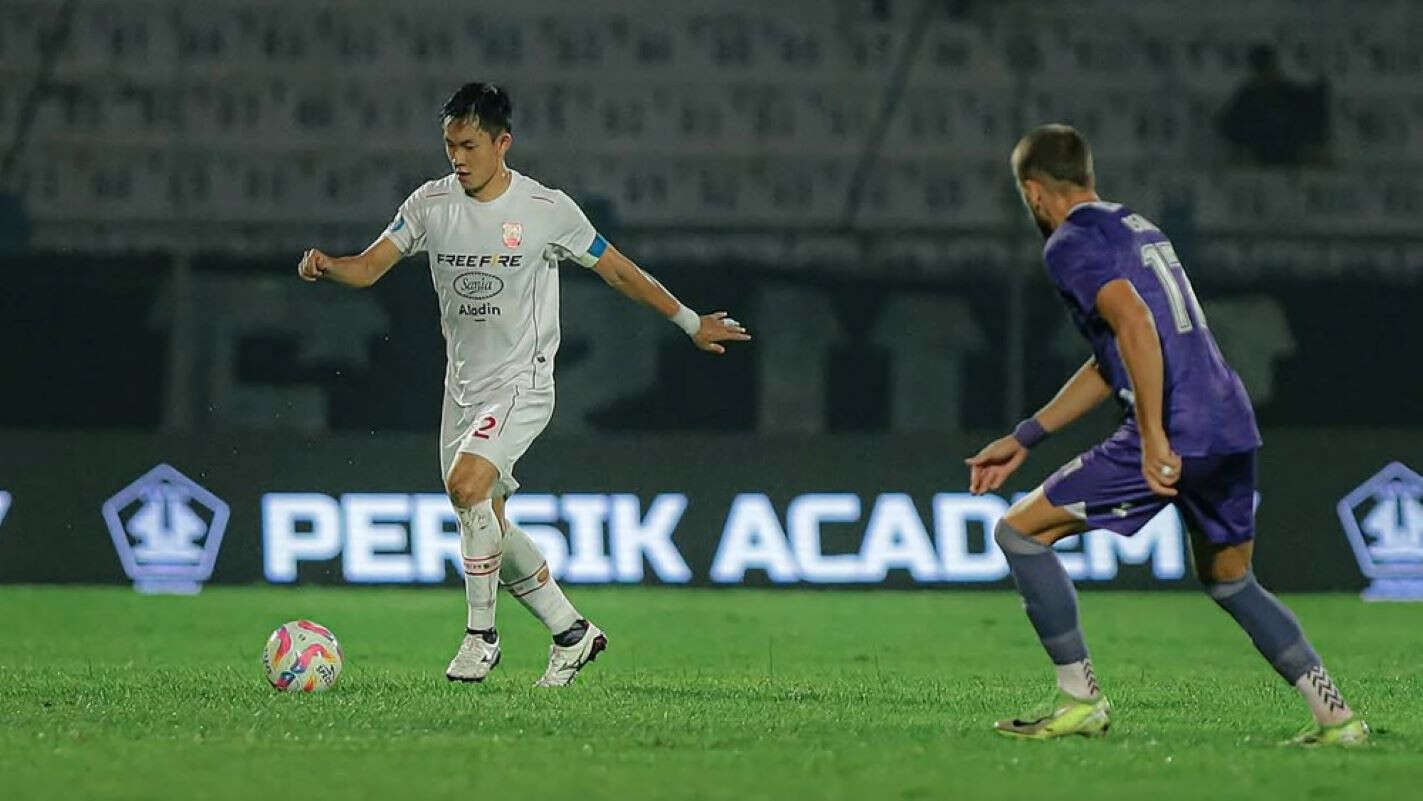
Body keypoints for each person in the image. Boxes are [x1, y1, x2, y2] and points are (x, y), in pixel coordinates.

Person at [297, 82, 750, 686]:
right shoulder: (430, 206)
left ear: (501, 143)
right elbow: (370, 267)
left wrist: (691, 322)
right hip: (462, 391)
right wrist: (330, 266)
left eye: (469, 145)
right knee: (489, 521)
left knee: (466, 488)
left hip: (523, 384)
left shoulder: (545, 211)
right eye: (449, 146)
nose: (457, 158)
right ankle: (572, 633)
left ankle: (480, 639)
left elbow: (617, 270)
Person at [966, 124, 1366, 745]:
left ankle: (1080, 700)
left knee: (1019, 533)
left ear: (1034, 192)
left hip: (1178, 427)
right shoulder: (1136, 226)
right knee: (1232, 580)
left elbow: (1136, 328)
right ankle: (1336, 717)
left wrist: (1153, 436)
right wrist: (1027, 435)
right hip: (1230, 423)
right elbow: (1114, 354)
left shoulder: (1068, 243)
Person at [1217, 43, 1329, 166]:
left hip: (1292, 157)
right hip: (1259, 159)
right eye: (1262, 69)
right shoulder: (1247, 96)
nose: (1268, 73)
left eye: (1270, 67)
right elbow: (1226, 125)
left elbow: (1312, 108)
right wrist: (1245, 146)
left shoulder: (1288, 92)